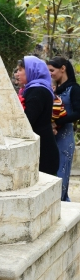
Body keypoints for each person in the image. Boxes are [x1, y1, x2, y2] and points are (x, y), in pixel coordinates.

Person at [16, 56, 59, 176]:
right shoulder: (38, 88)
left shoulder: (37, 91)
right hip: (43, 146)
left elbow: (28, 120)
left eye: (20, 70)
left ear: (31, 70)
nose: (17, 74)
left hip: (43, 151)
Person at [47, 56, 80, 200]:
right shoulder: (55, 89)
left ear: (63, 69)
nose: (50, 74)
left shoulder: (74, 88)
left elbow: (78, 113)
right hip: (51, 137)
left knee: (62, 175)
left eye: (52, 70)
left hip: (64, 138)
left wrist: (58, 120)